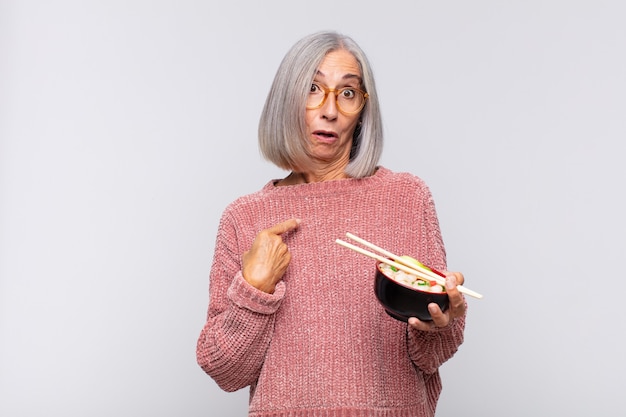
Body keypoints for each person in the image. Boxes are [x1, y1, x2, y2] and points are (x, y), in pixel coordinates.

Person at [196, 30, 467, 417]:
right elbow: (225, 371)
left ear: (362, 110)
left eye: (348, 92)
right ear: (286, 100)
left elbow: (430, 357)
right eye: (312, 89)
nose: (330, 110)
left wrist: (439, 323)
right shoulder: (245, 218)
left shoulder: (407, 198)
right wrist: (254, 289)